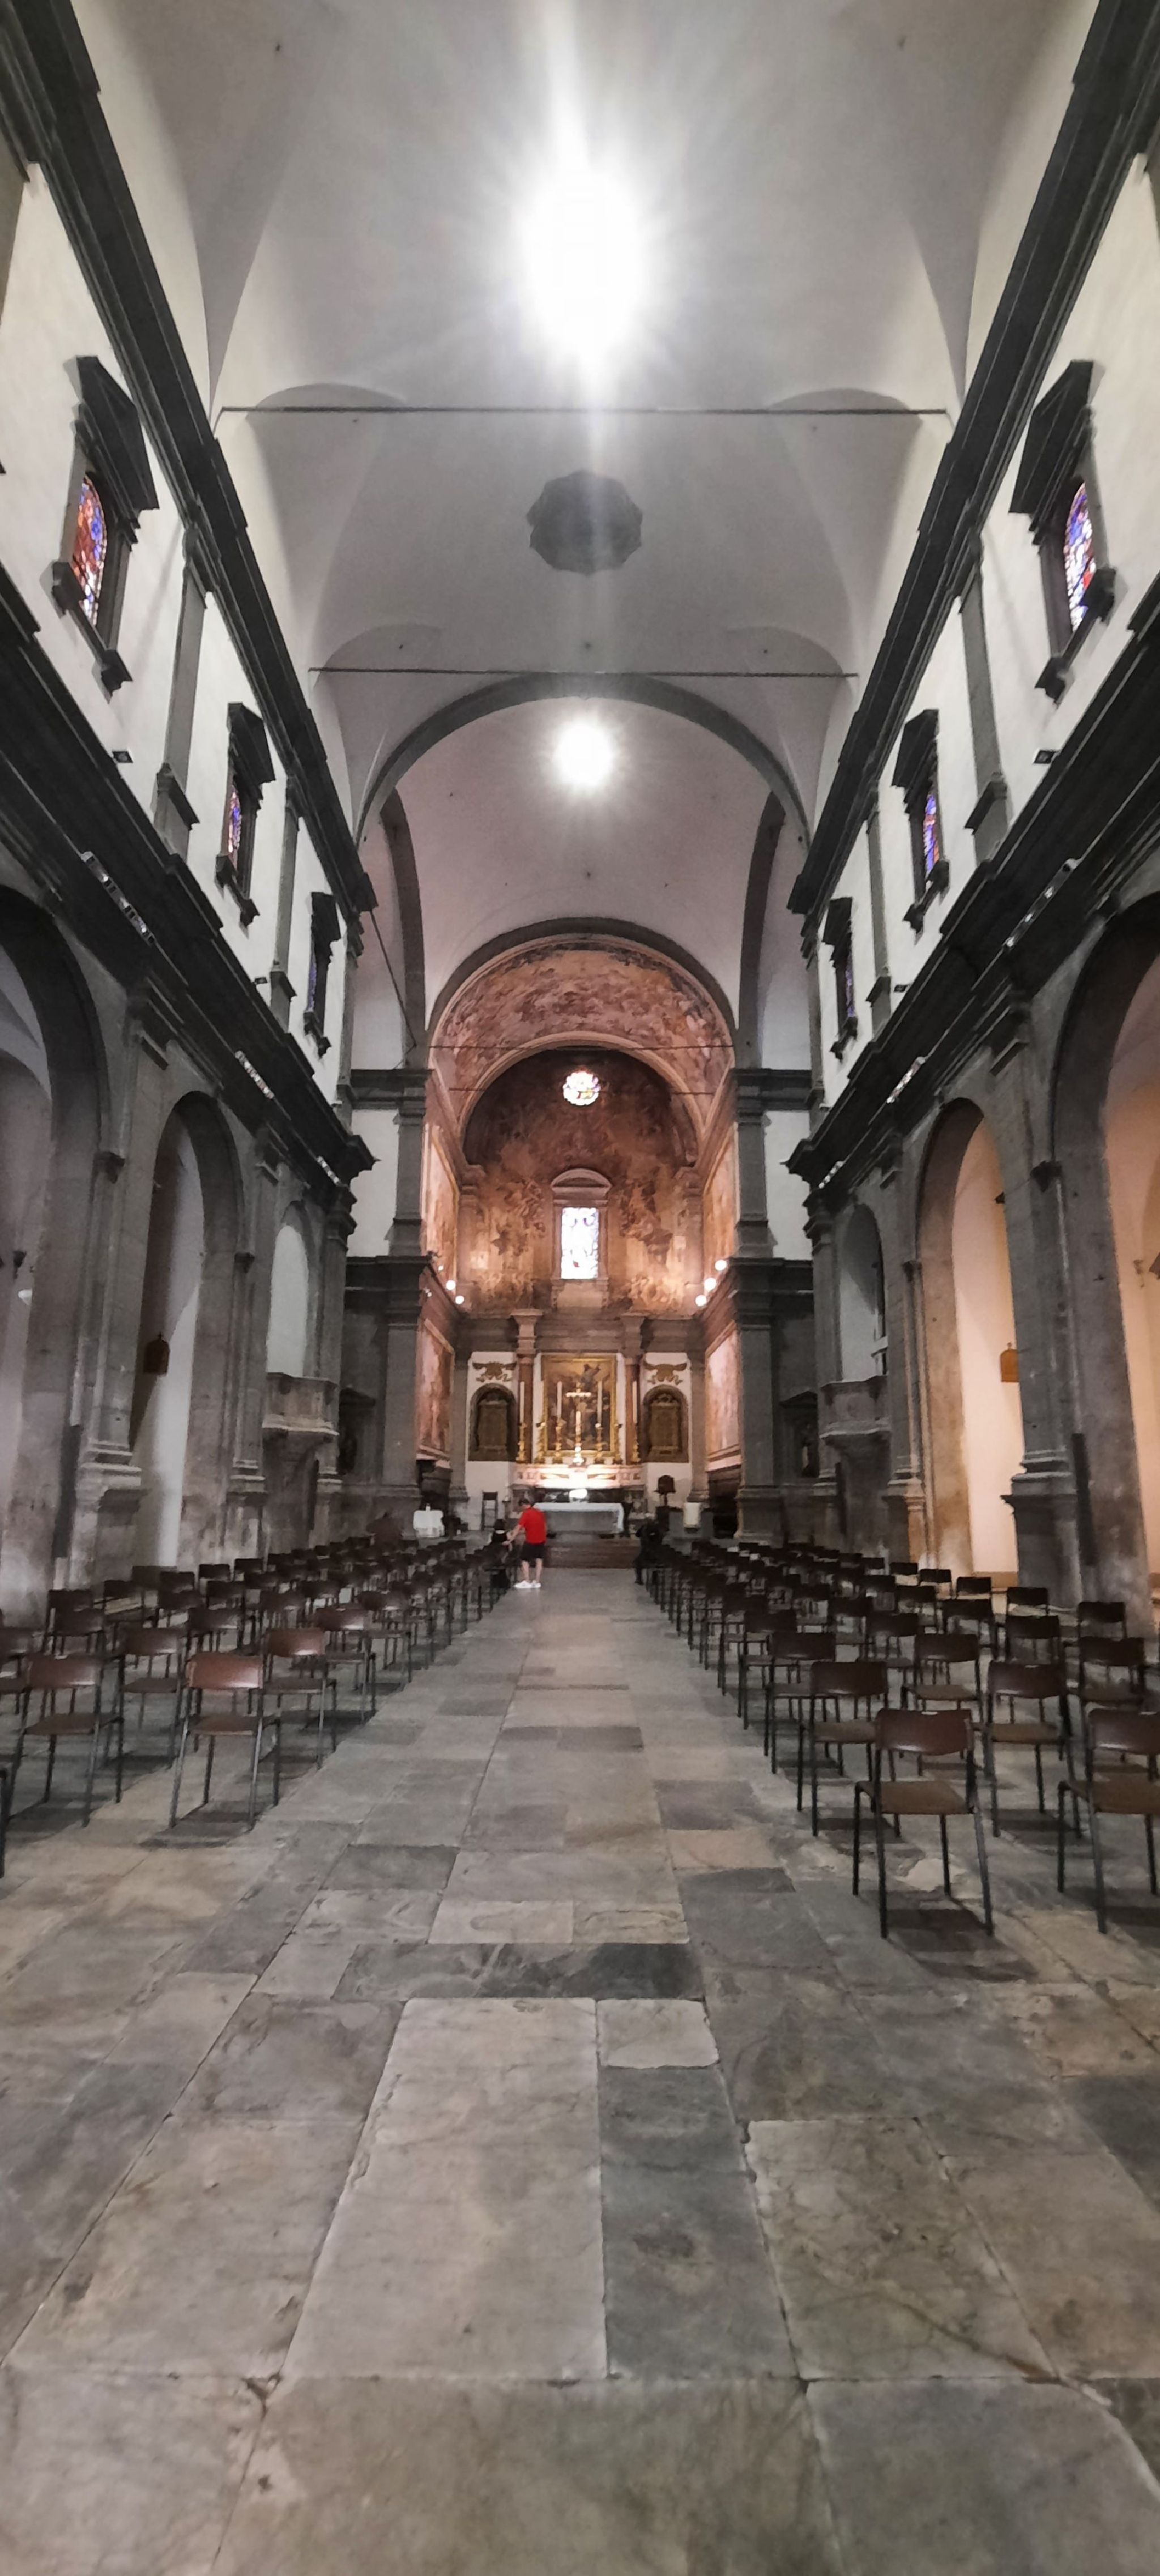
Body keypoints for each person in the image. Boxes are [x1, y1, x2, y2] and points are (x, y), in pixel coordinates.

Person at [514, 1498, 548, 1588]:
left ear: (523, 1505)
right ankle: (537, 1581)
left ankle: (527, 1581)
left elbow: (519, 1527)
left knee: (525, 1560)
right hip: (541, 1540)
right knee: (539, 1560)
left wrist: (511, 1538)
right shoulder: (539, 1512)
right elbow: (545, 1526)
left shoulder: (526, 1513)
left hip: (531, 1540)